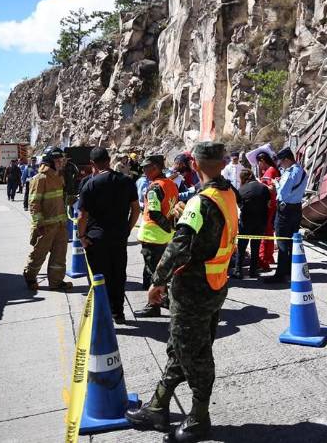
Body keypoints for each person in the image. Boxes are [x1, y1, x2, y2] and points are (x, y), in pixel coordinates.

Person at [126, 142, 238, 443]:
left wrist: (157, 281)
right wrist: (179, 215)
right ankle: (158, 406)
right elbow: (205, 234)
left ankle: (199, 419)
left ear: (196, 166)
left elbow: (180, 246)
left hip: (194, 290)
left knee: (195, 355)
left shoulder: (201, 202)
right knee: (180, 347)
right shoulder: (227, 194)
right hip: (215, 286)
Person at [78, 147, 140, 324]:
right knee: (118, 275)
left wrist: (81, 237)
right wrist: (127, 229)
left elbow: (82, 216)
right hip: (119, 237)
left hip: (95, 240)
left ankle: (101, 315)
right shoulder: (126, 181)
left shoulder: (89, 184)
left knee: (99, 277)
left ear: (92, 164)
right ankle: (118, 312)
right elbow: (135, 209)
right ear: (109, 159)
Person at [134, 154, 180, 316]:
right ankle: (165, 299)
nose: (144, 171)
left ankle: (153, 306)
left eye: (147, 168)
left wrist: (166, 227)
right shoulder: (171, 184)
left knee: (153, 272)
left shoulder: (154, 187)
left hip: (154, 237)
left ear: (155, 168)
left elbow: (154, 213)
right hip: (166, 237)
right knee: (163, 270)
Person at [23, 147, 73, 292]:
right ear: (49, 161)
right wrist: (39, 223)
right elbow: (34, 203)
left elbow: (60, 199)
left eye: (61, 160)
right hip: (45, 225)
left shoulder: (59, 176)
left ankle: (56, 282)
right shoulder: (40, 178)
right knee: (39, 254)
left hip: (60, 224)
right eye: (57, 160)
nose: (60, 162)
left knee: (59, 254)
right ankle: (30, 276)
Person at [263, 148, 306, 284]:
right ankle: (289, 269)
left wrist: (276, 183)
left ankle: (280, 274)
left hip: (285, 209)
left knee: (282, 241)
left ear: (287, 159)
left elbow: (283, 194)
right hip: (296, 208)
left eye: (281, 162)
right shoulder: (301, 171)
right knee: (291, 241)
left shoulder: (290, 173)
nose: (280, 165)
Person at [232, 169, 270, 279]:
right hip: (260, 221)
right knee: (255, 246)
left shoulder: (242, 190)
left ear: (243, 179)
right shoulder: (263, 188)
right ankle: (253, 270)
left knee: (242, 246)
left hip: (246, 221)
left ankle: (238, 270)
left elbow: (239, 206)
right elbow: (268, 204)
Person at [256, 152, 280, 271]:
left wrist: (259, 183)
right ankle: (269, 257)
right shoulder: (271, 170)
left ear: (262, 161)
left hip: (268, 205)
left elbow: (272, 188)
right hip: (271, 205)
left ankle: (263, 259)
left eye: (258, 162)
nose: (258, 165)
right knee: (269, 232)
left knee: (264, 233)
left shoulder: (270, 171)